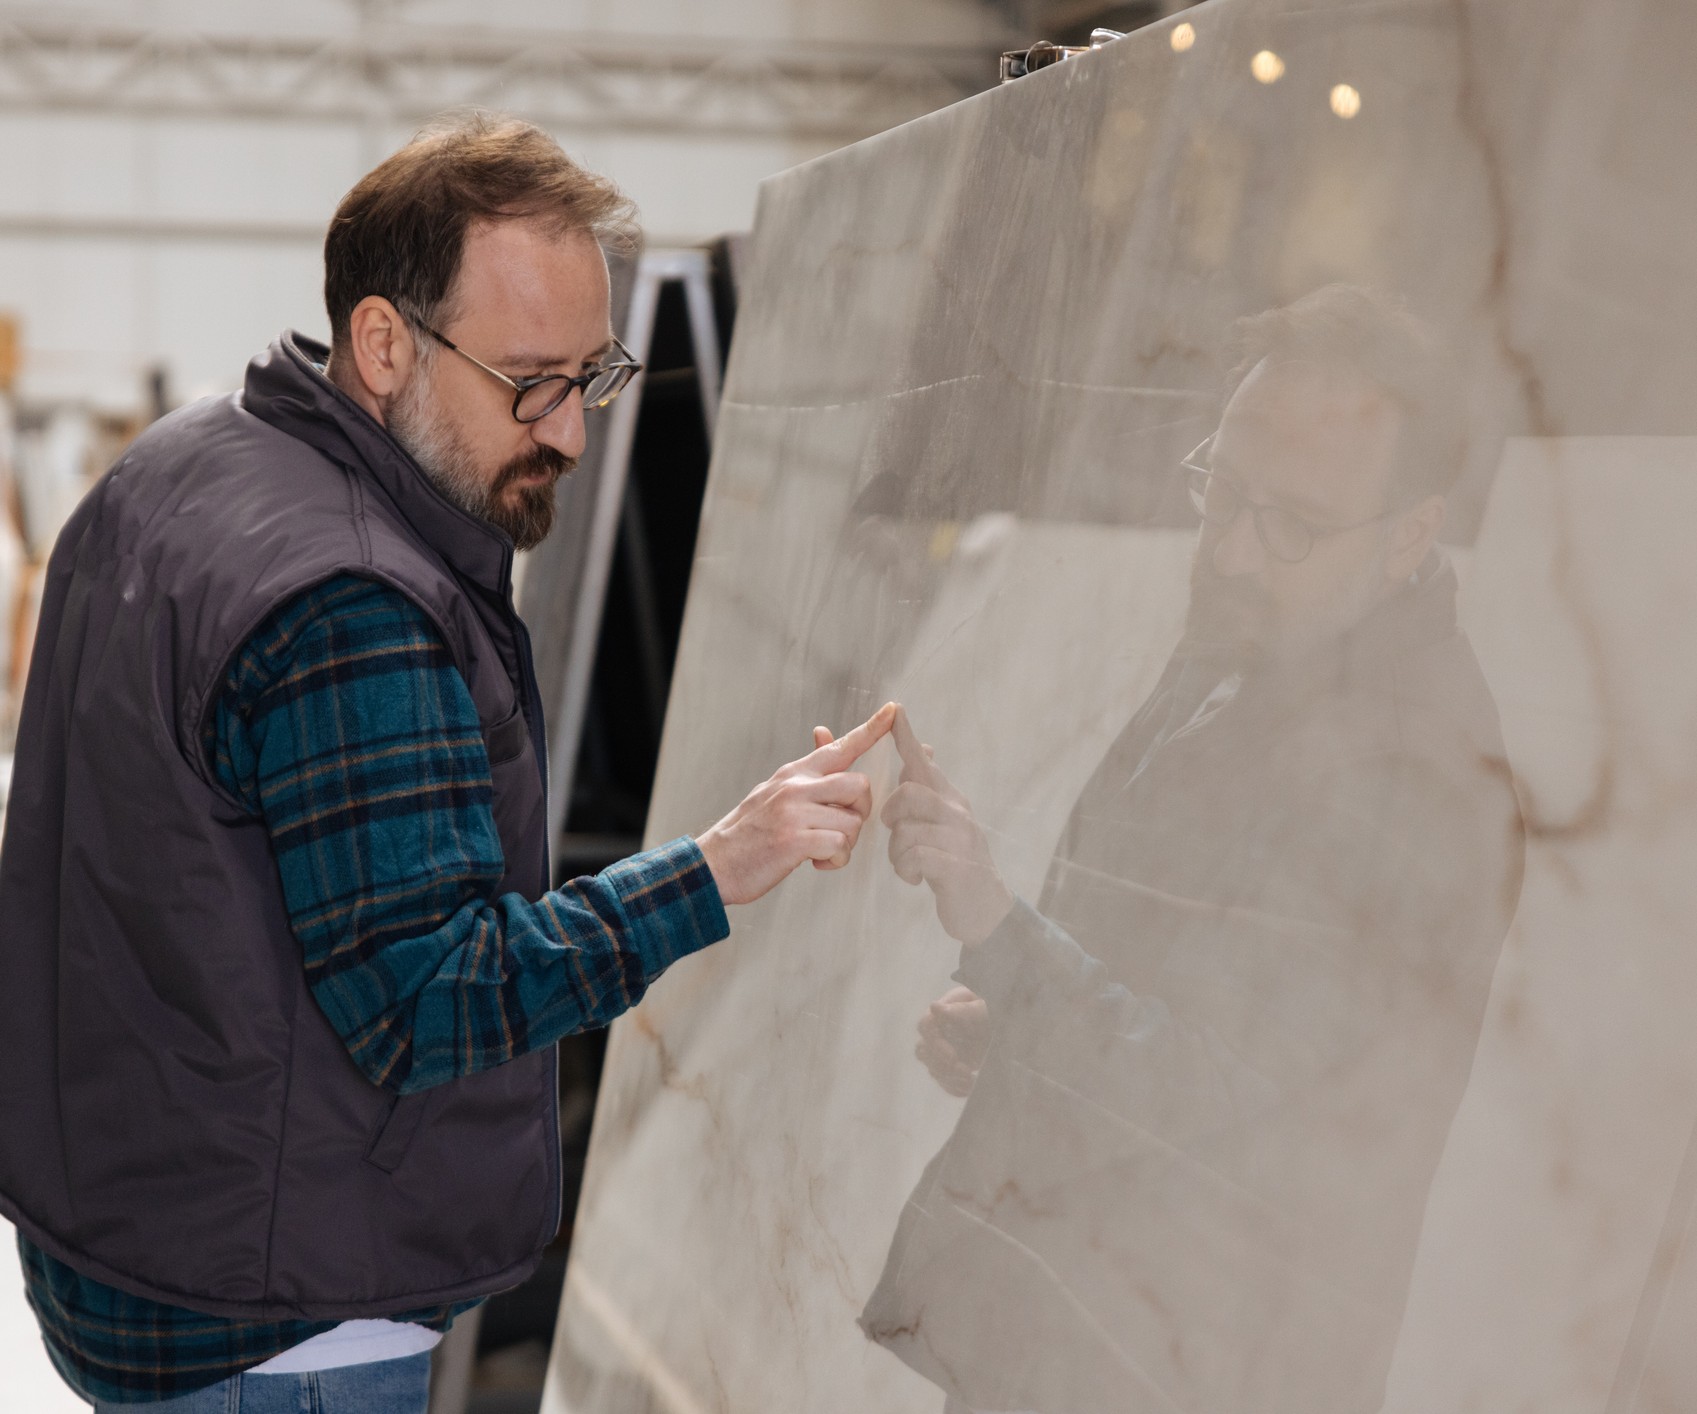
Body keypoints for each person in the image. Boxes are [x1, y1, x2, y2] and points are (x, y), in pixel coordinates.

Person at [0, 113, 894, 1410]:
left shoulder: (175, 472)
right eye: (532, 380)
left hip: (130, 1246)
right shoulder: (353, 602)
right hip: (281, 1321)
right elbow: (430, 999)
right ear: (381, 343)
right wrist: (716, 866)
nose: (573, 436)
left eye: (592, 377)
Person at [861, 286, 1525, 1413]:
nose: (1232, 550)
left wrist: (996, 930)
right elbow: (1170, 974)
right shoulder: (1259, 638)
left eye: (1292, 525)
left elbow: (1236, 1100)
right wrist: (1014, 1024)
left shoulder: (1422, 778)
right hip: (1072, 1323)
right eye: (1222, 491)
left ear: (1411, 531)